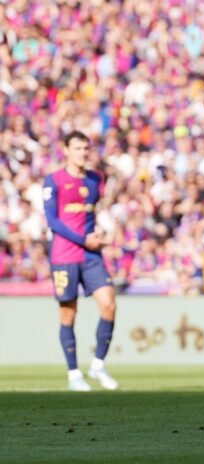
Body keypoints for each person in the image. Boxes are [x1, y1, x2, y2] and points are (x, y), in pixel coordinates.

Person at [43, 131, 118, 391]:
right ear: (66, 150)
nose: (83, 153)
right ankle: (74, 373)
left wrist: (102, 234)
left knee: (108, 303)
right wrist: (84, 239)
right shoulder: (53, 180)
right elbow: (52, 221)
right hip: (65, 254)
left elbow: (95, 214)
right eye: (77, 148)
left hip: (91, 254)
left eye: (86, 148)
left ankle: (98, 365)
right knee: (68, 314)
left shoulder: (96, 179)